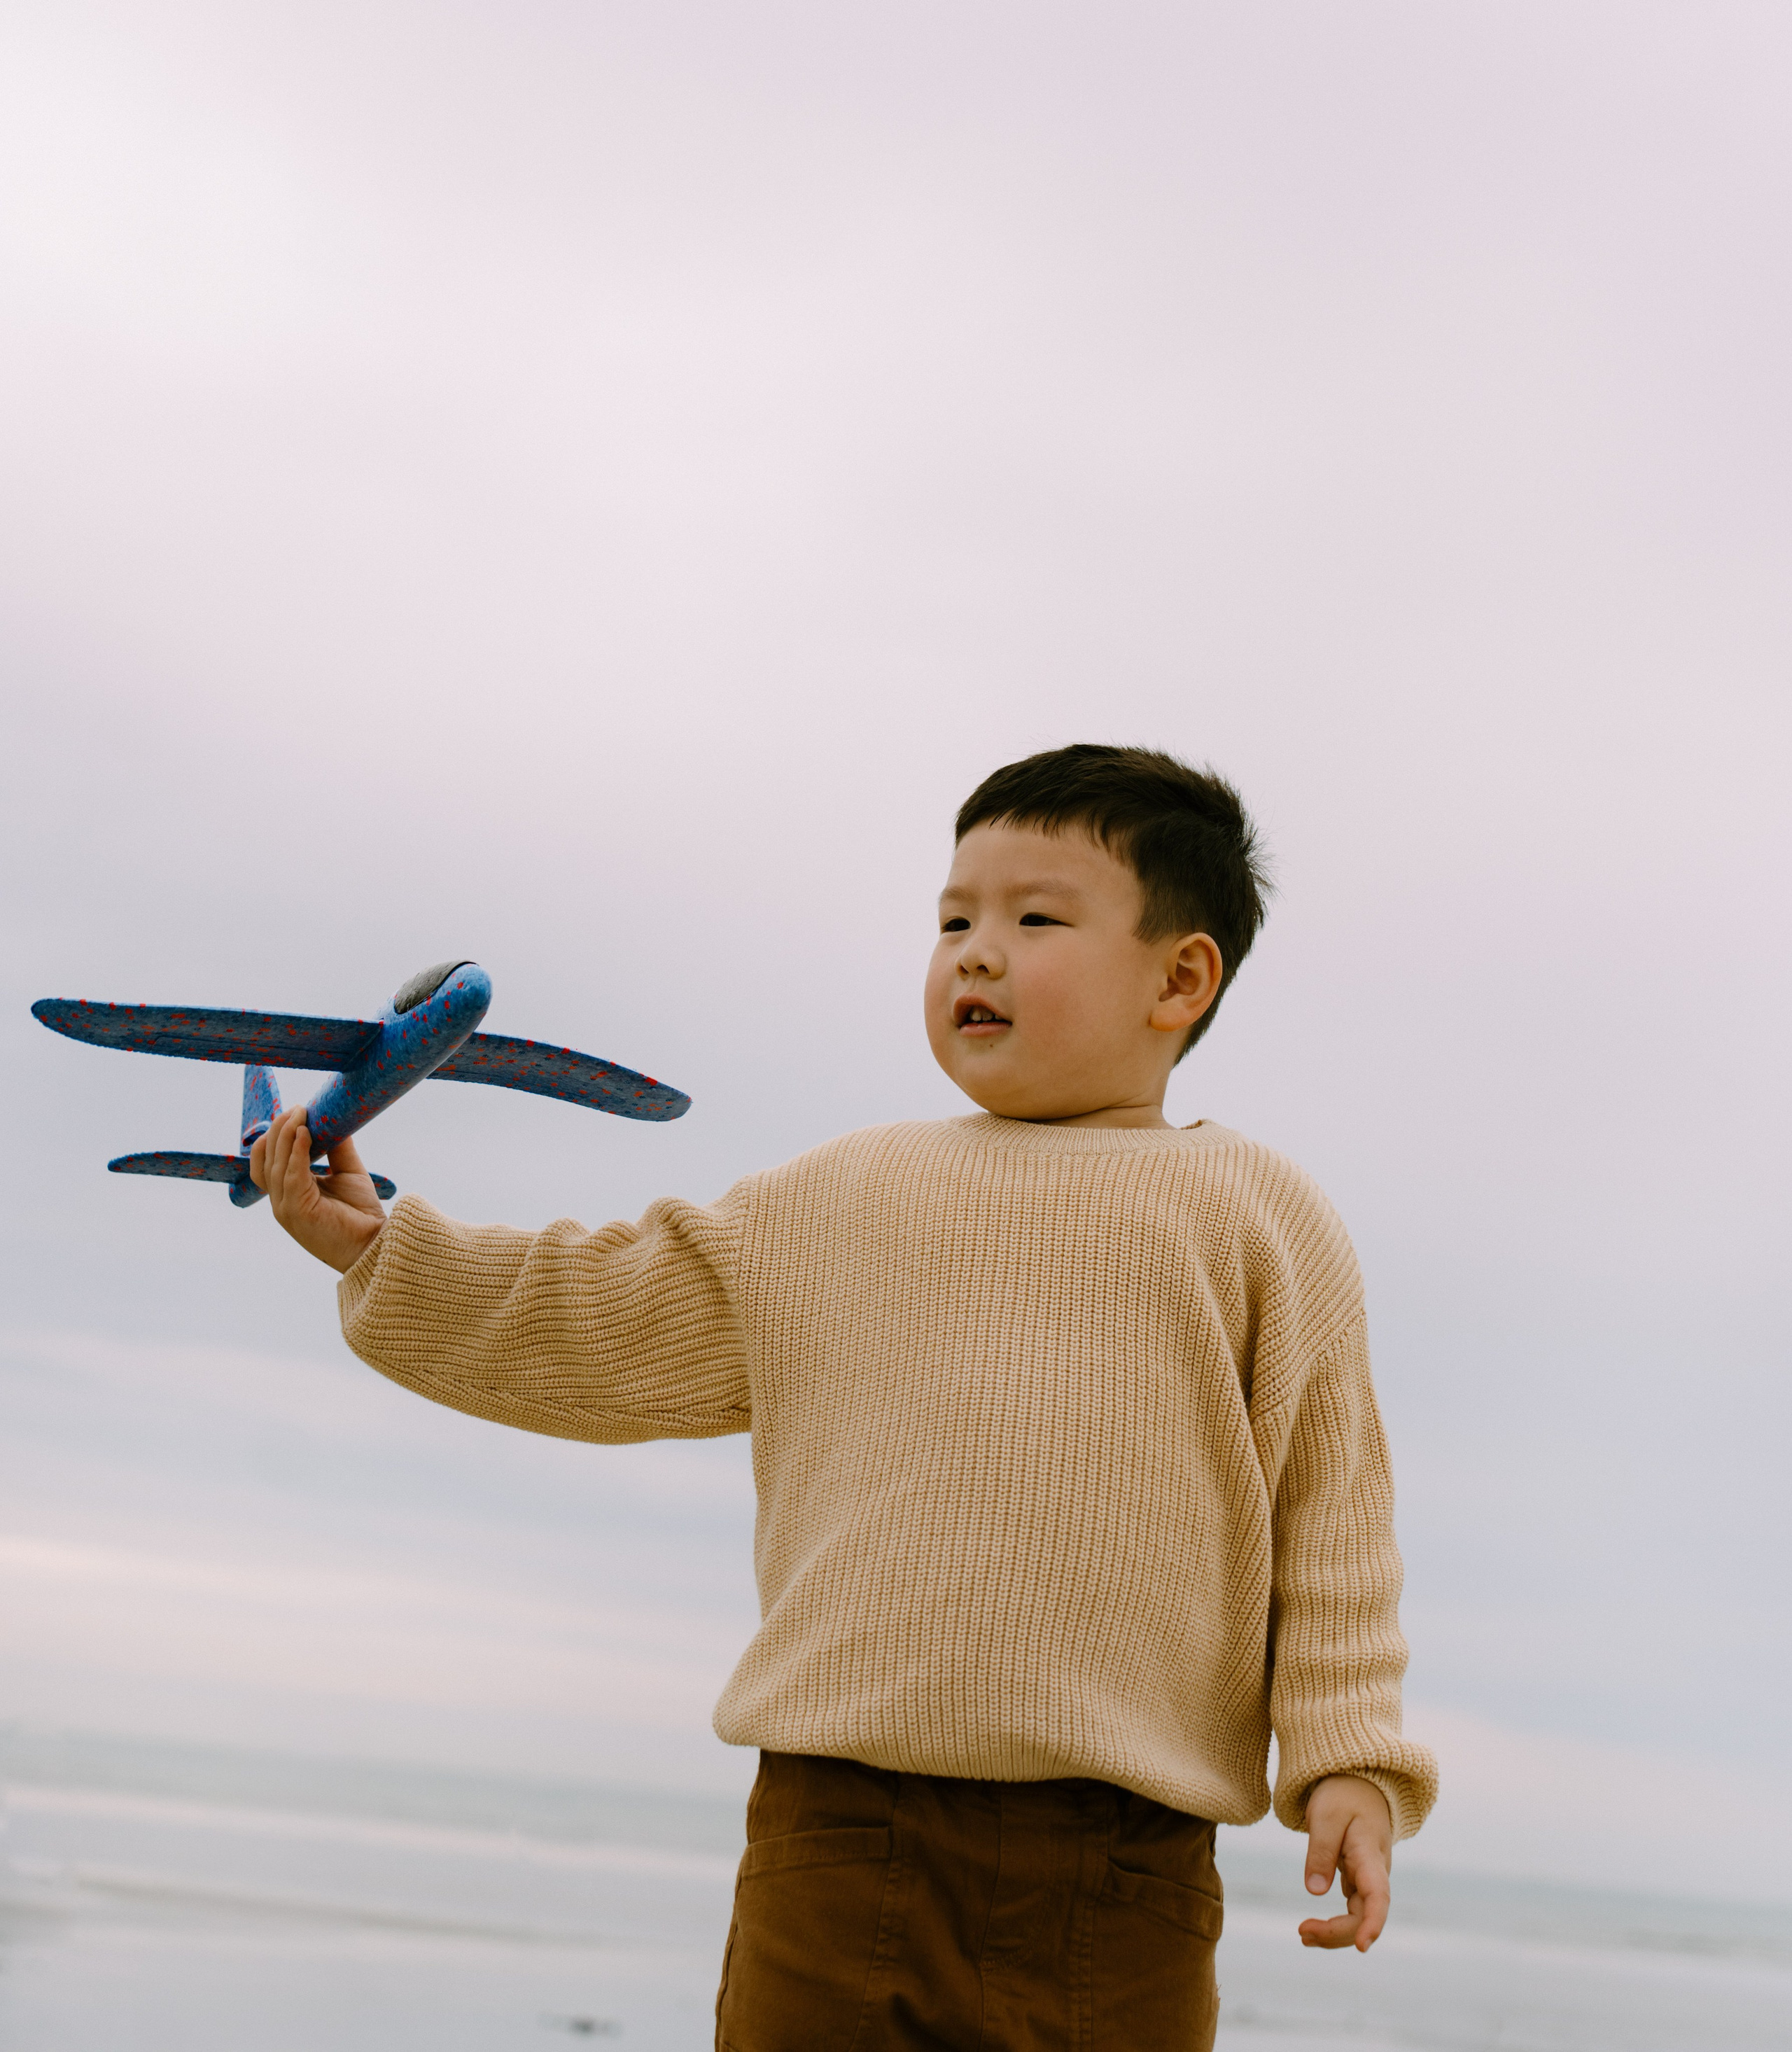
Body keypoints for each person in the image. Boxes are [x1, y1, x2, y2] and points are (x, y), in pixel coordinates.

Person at [253, 741, 1437, 2051]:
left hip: (1128, 1867)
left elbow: (1333, 1521)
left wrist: (1347, 1759)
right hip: (840, 1835)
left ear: (1181, 978)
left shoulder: (1262, 1219)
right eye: (954, 921)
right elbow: (606, 1308)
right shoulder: (844, 1197)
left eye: (1035, 920)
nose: (977, 955)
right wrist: (387, 1252)